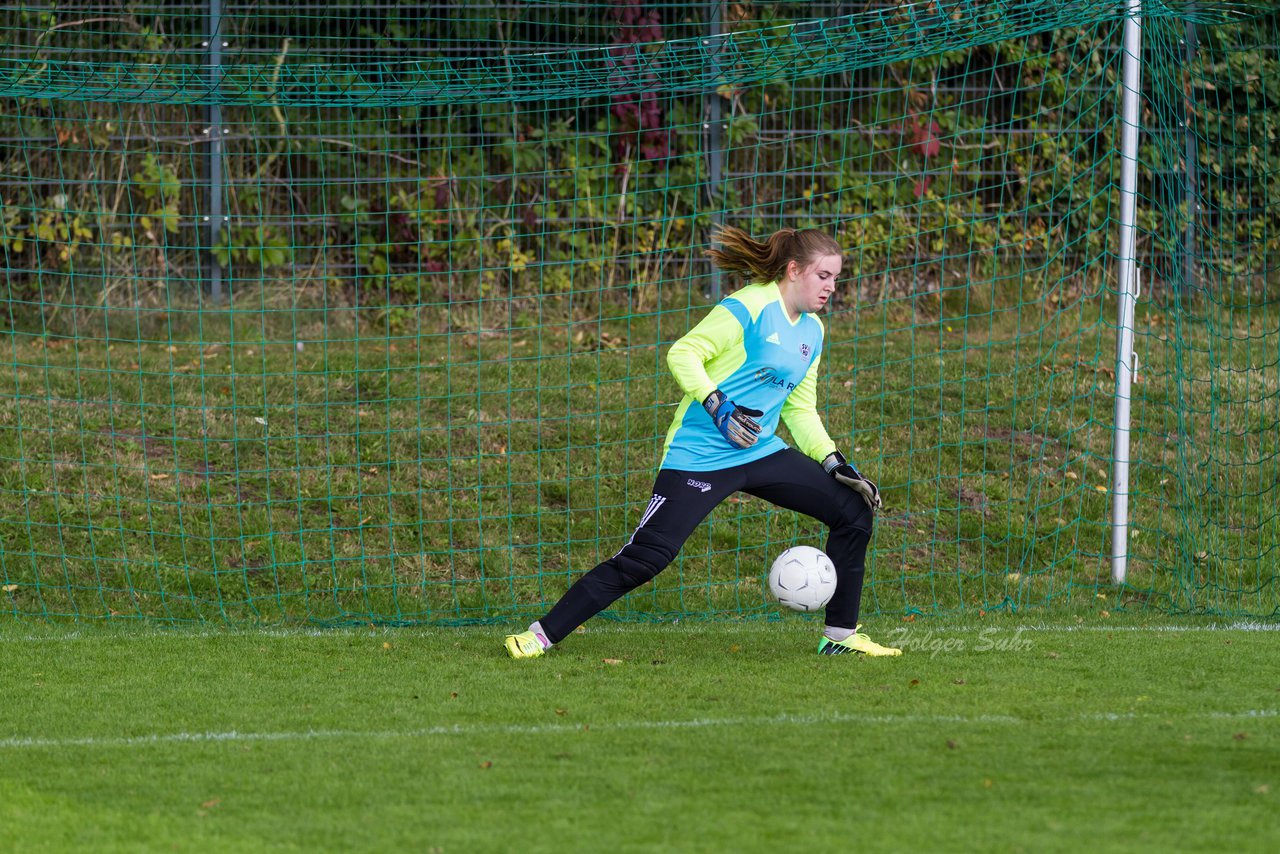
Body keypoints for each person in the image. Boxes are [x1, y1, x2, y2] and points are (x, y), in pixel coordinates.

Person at [504, 225, 901, 658]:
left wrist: (832, 461)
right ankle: (539, 635)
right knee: (647, 557)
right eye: (823, 275)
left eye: (836, 278)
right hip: (700, 455)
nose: (832, 287)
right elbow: (683, 353)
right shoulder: (748, 306)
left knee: (853, 510)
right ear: (793, 270)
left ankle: (839, 637)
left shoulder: (813, 332)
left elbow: (800, 409)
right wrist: (718, 405)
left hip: (759, 450)